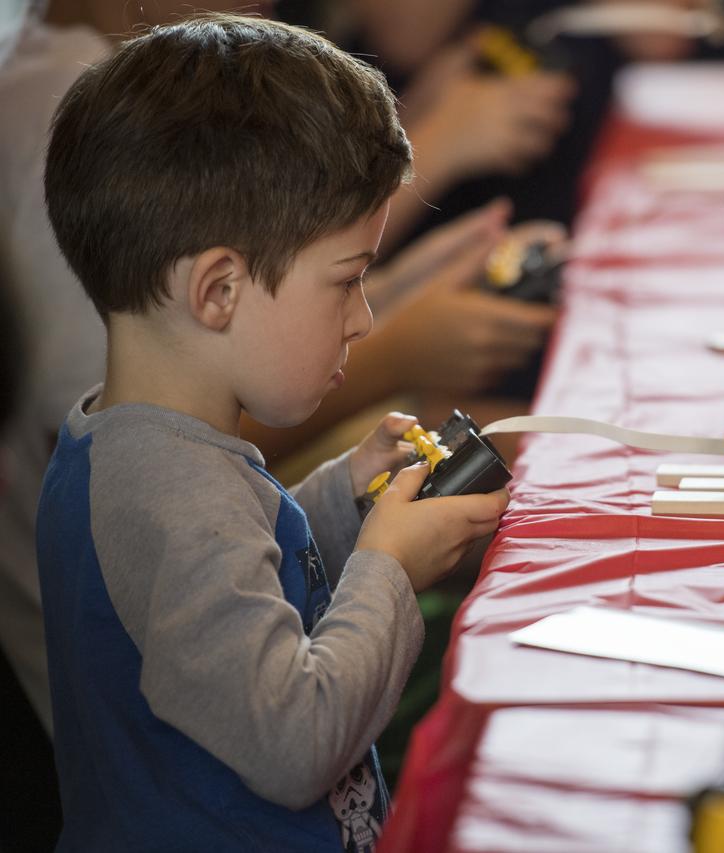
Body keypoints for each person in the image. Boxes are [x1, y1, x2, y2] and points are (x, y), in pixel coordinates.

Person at [37, 14, 507, 850]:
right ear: (218, 290)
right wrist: (388, 567)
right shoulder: (166, 491)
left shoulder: (147, 449)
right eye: (347, 281)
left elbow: (238, 570)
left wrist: (339, 498)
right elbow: (294, 741)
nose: (363, 318)